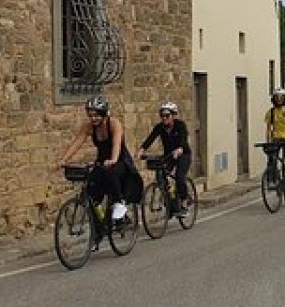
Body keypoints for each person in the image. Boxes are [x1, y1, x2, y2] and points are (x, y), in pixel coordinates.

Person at [57, 95, 136, 225]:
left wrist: (113, 159)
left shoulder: (114, 124)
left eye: (97, 115)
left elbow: (117, 143)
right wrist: (64, 159)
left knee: (112, 173)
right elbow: (77, 142)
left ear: (104, 114)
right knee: (91, 193)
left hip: (120, 160)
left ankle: (118, 203)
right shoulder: (89, 127)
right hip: (102, 161)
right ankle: (98, 233)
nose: (93, 118)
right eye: (91, 115)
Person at [138, 101, 192, 210]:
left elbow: (183, 138)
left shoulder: (180, 125)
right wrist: (142, 149)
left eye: (167, 115)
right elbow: (151, 138)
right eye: (162, 115)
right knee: (160, 176)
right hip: (169, 155)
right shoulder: (160, 127)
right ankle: (169, 200)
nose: (164, 118)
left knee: (179, 177)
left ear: (173, 115)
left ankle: (185, 198)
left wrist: (180, 148)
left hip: (183, 155)